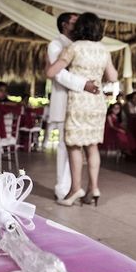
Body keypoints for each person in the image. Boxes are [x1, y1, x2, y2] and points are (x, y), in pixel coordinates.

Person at [47, 12, 118, 206]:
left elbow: (52, 72)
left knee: (73, 145)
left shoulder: (74, 48)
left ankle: (75, 188)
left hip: (79, 102)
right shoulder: (104, 50)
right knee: (92, 146)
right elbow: (112, 77)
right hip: (97, 103)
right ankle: (93, 187)